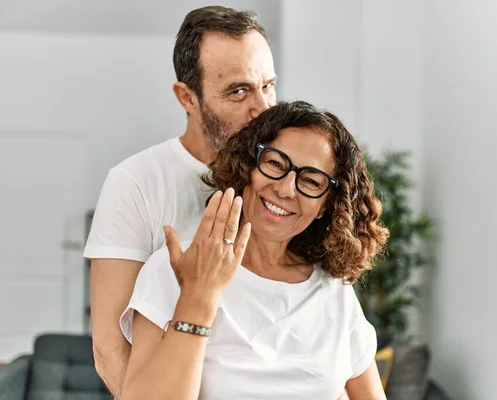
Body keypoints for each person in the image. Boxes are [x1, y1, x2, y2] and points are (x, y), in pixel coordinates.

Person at [118, 101, 390, 399]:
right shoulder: (176, 266)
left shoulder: (333, 291)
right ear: (248, 165)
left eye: (311, 181)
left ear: (326, 204)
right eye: (275, 164)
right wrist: (198, 295)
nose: (286, 189)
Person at [83, 6, 277, 397]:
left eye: (268, 85)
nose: (263, 108)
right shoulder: (134, 183)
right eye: (239, 91)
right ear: (186, 97)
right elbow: (109, 347)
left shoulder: (283, 182)